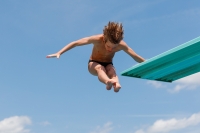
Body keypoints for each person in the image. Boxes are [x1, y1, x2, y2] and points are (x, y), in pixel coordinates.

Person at [47, 21, 145, 92]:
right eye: (108, 46)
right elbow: (76, 43)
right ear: (104, 39)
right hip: (93, 63)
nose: (110, 49)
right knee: (100, 68)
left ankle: (116, 84)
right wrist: (59, 52)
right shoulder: (97, 39)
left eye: (114, 47)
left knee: (111, 69)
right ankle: (108, 82)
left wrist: (147, 62)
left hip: (108, 63)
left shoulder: (121, 45)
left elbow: (135, 56)